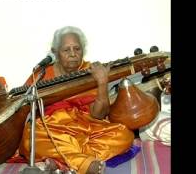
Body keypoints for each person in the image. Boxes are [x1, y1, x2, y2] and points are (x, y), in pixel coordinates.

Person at [19, 26, 134, 174]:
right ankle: (85, 164)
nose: (73, 54)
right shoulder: (41, 74)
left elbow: (99, 115)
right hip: (52, 129)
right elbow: (21, 101)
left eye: (77, 49)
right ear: (55, 52)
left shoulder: (91, 71)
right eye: (66, 50)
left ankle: (60, 161)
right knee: (31, 136)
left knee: (124, 135)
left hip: (86, 128)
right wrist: (0, 93)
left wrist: (102, 82)